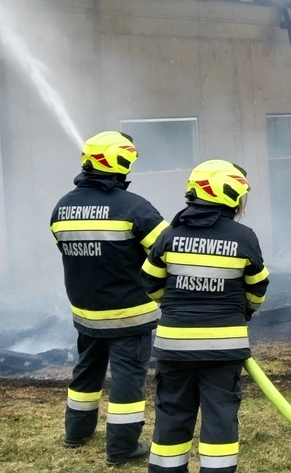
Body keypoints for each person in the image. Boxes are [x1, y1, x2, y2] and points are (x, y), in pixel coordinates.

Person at [142, 160, 269, 473]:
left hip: (173, 346)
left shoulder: (170, 235)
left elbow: (150, 283)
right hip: (223, 347)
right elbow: (258, 288)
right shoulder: (243, 237)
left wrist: (174, 305)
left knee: (172, 413)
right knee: (220, 415)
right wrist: (243, 312)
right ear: (230, 196)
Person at [50, 131, 168, 466]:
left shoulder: (63, 206)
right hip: (129, 314)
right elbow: (167, 252)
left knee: (86, 372)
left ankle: (76, 432)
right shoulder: (133, 207)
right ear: (122, 162)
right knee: (128, 380)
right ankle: (121, 448)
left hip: (86, 313)